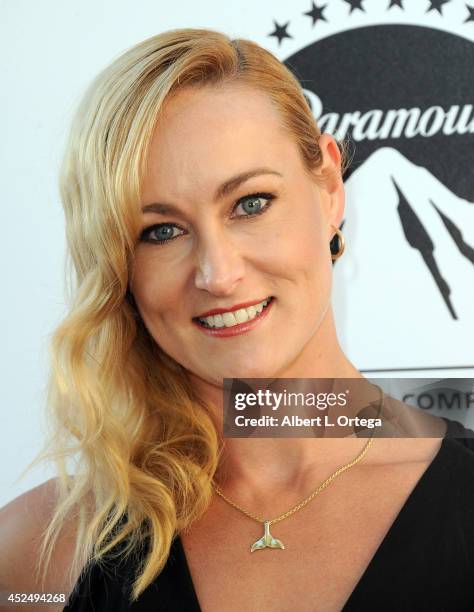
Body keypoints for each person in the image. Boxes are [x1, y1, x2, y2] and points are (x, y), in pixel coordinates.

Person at [1, 28, 473, 612]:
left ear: (328, 187)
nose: (217, 274)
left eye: (250, 203)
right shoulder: (38, 555)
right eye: (161, 231)